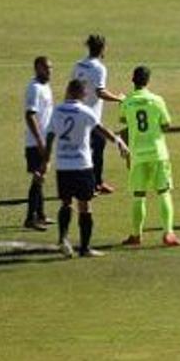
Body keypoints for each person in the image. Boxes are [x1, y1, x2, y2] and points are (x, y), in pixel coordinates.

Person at [41, 78, 129, 258]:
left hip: (63, 165)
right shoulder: (85, 111)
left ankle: (63, 239)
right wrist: (119, 142)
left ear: (68, 91)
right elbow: (101, 130)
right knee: (85, 206)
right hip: (82, 165)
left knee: (66, 203)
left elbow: (50, 136)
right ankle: (85, 248)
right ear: (82, 93)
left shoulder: (57, 111)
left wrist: (46, 159)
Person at [119, 66, 180, 247]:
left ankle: (136, 235)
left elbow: (125, 121)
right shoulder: (156, 100)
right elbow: (166, 124)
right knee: (163, 192)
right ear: (148, 81)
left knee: (139, 195)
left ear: (133, 80)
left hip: (137, 154)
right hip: (158, 152)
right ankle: (168, 233)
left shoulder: (127, 102)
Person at [72, 34, 124, 195]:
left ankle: (92, 183)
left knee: (86, 149)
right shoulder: (99, 68)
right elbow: (100, 92)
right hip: (91, 117)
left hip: (76, 112)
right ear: (102, 49)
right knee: (97, 147)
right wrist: (119, 98)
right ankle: (94, 184)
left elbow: (72, 87)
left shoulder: (78, 65)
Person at [22, 56, 54, 231]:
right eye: (46, 68)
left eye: (50, 68)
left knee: (41, 177)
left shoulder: (45, 86)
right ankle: (30, 218)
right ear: (37, 68)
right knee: (38, 177)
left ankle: (40, 215)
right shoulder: (34, 88)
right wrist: (40, 141)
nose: (49, 71)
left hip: (45, 140)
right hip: (36, 143)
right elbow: (30, 115)